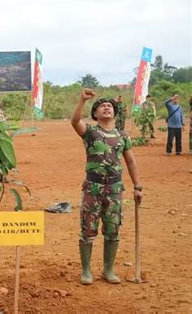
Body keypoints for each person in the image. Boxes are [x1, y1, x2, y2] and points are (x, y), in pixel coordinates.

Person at [71, 89, 142, 285]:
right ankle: (86, 270)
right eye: (102, 106)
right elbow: (75, 121)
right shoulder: (91, 132)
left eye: (110, 105)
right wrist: (82, 100)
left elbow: (131, 162)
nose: (107, 107)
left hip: (115, 189)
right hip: (92, 188)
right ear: (95, 114)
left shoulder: (122, 136)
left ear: (115, 112)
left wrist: (138, 186)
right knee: (88, 229)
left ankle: (108, 270)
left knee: (112, 230)